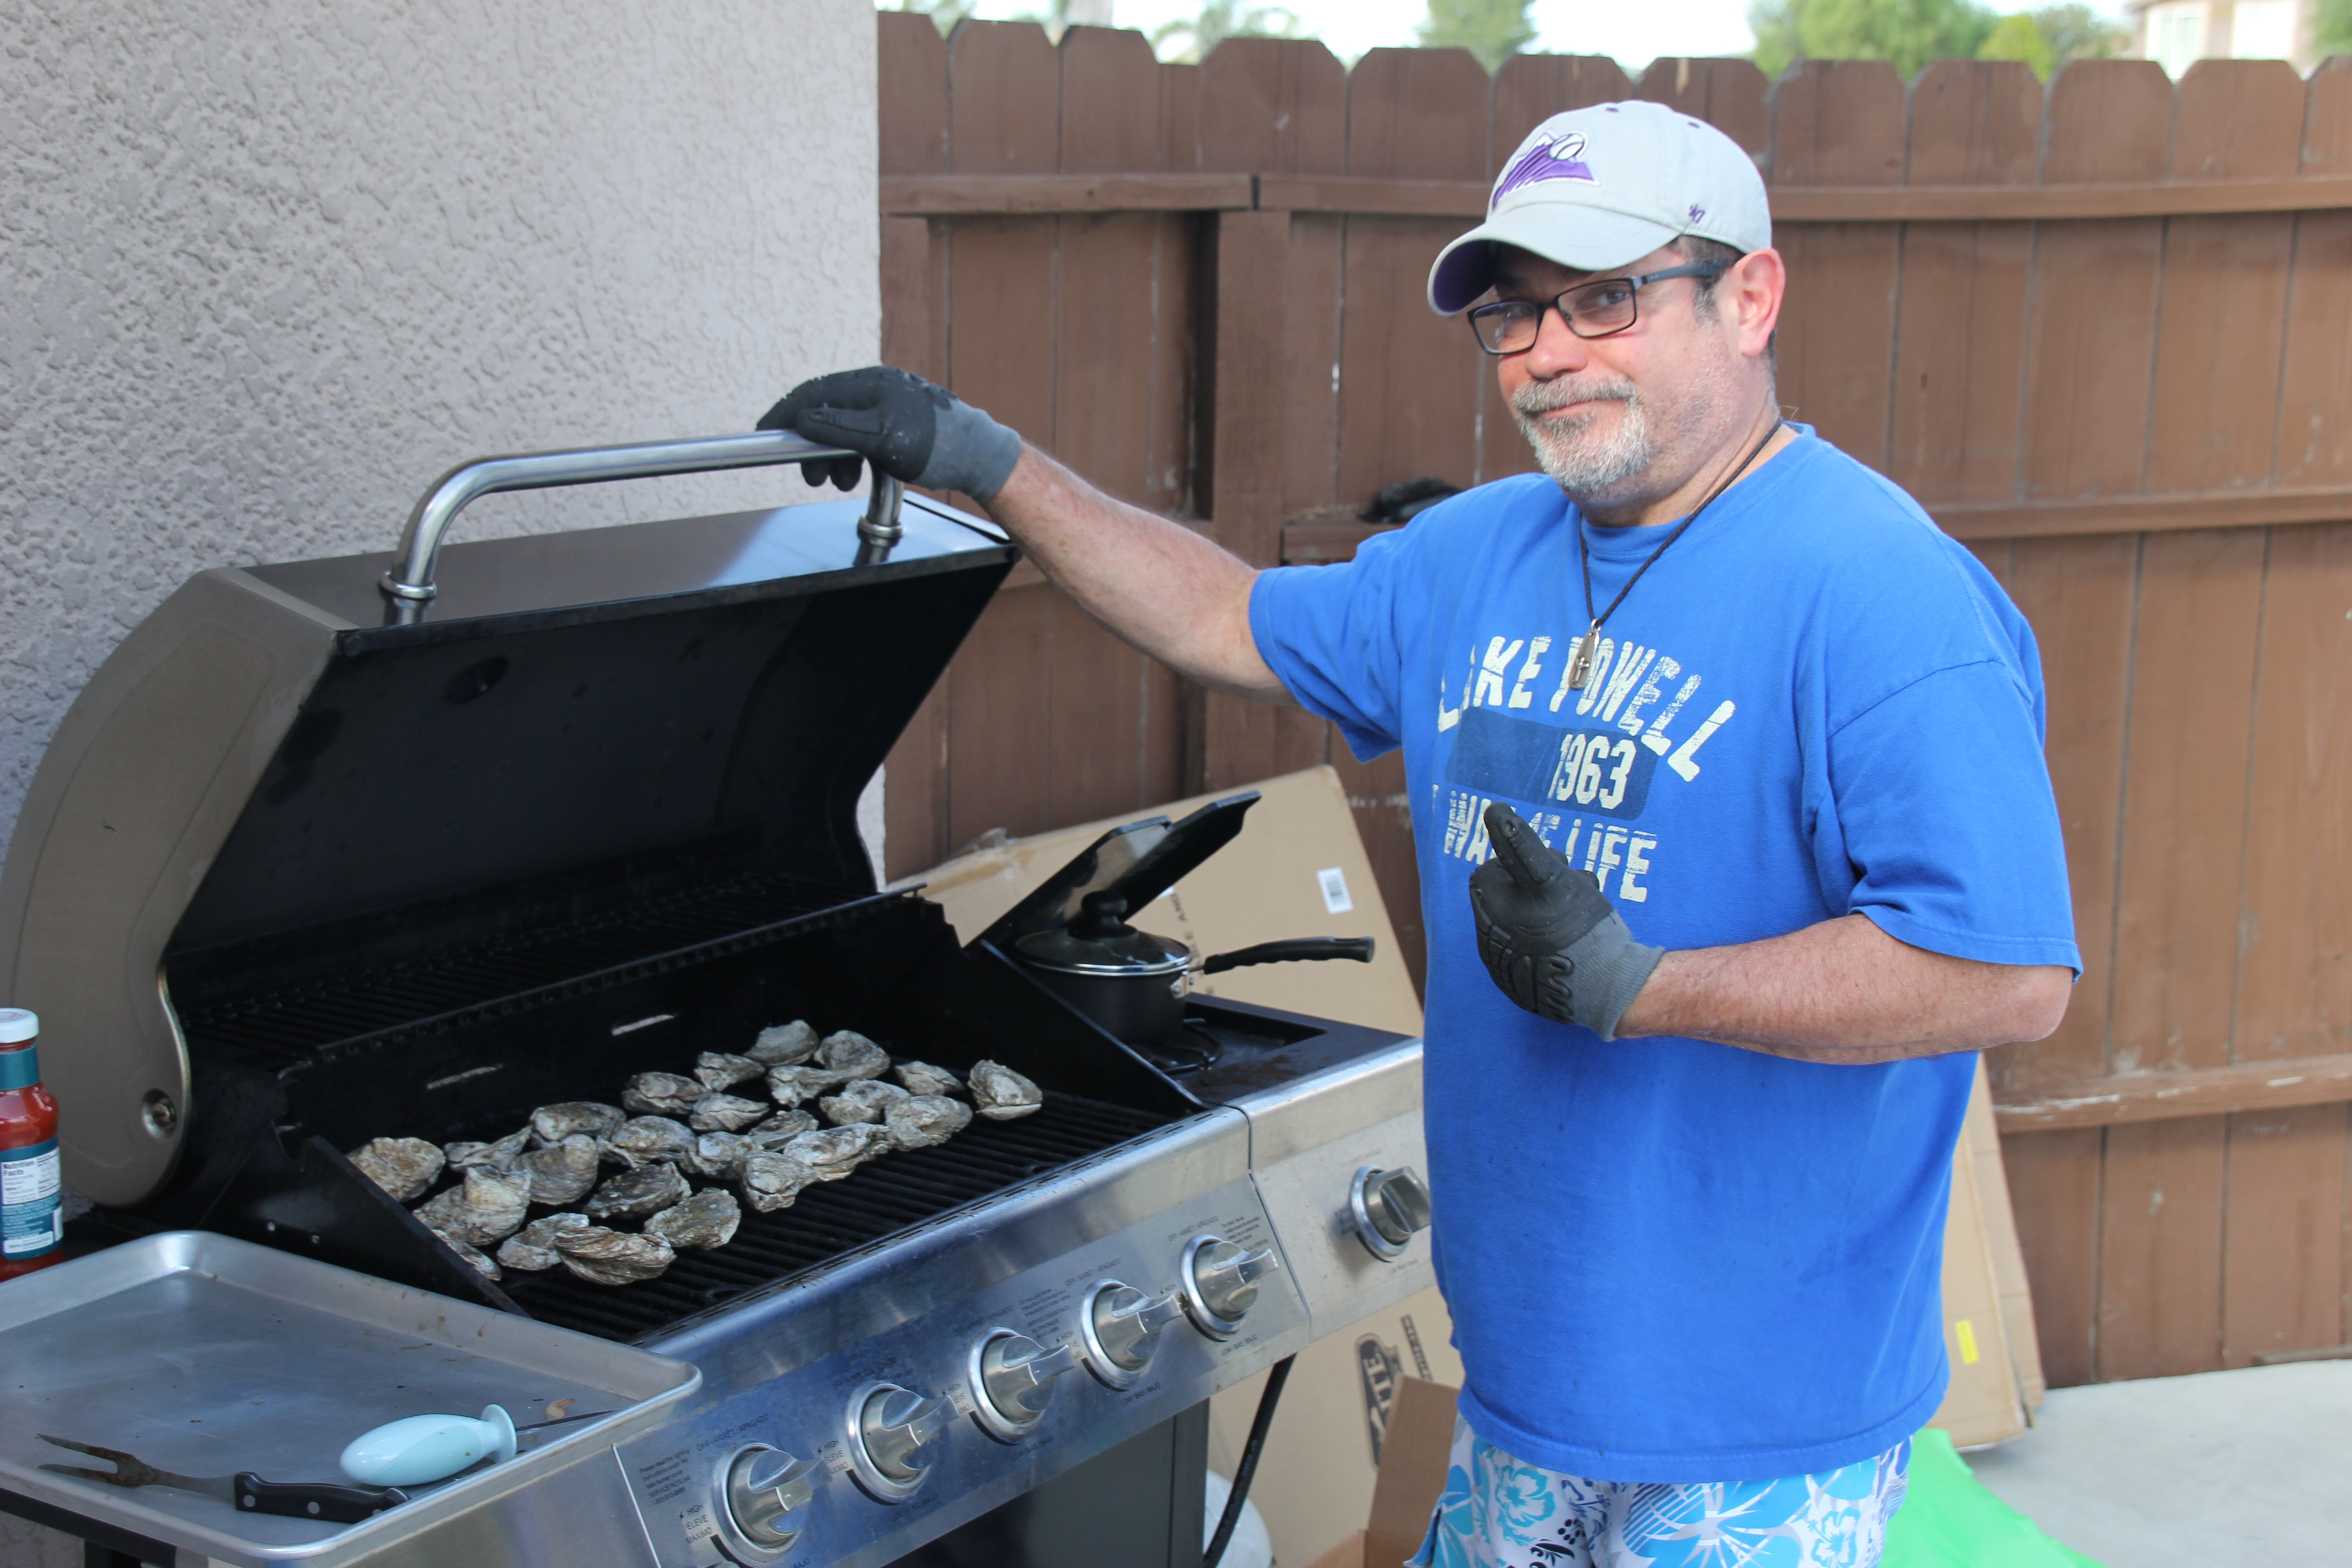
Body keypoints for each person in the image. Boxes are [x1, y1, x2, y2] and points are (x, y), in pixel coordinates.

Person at [761, 98, 2078, 1568]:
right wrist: (987, 460)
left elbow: (2003, 975)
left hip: (1758, 1423)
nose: (1547, 353)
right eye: (1514, 314)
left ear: (1750, 297)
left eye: (1606, 298)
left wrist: (1644, 989)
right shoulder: (1472, 555)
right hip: (1526, 1382)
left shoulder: (1883, 593)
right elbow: (1223, 614)